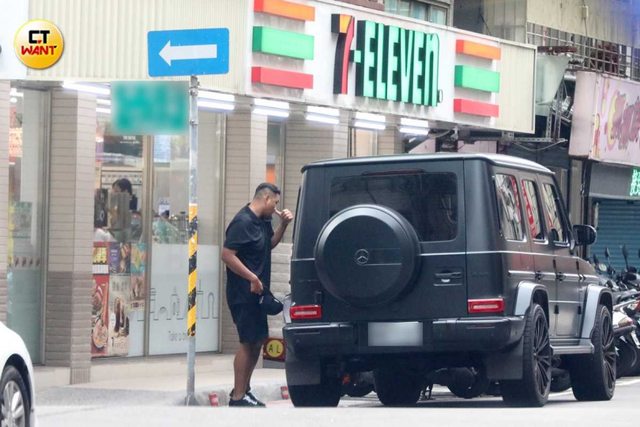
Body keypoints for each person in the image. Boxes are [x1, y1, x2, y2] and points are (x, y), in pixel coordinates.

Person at [221, 182, 293, 407]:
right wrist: (251, 278)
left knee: (258, 340)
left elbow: (268, 244)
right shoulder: (242, 222)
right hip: (242, 293)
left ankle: (245, 390)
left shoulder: (263, 221)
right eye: (275, 203)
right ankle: (237, 397)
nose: (277, 208)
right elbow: (227, 255)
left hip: (258, 293)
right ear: (266, 199)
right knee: (247, 341)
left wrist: (283, 225)